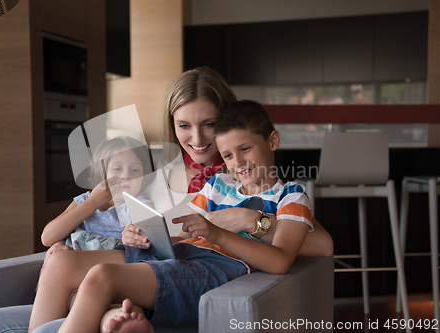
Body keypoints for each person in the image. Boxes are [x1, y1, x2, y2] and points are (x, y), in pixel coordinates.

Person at [31, 99, 332, 333]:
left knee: (101, 276)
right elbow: (188, 231)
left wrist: (221, 232)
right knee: (60, 260)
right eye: (227, 155)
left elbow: (280, 261)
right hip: (182, 254)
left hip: (218, 267)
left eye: (245, 149)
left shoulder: (290, 196)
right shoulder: (217, 185)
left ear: (273, 141)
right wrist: (147, 236)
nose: (237, 162)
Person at [43, 136, 153, 259]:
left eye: (135, 170)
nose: (126, 175)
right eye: (117, 168)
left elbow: (145, 237)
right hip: (70, 264)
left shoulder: (141, 206)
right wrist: (92, 203)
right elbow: (47, 238)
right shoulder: (85, 200)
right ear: (101, 172)